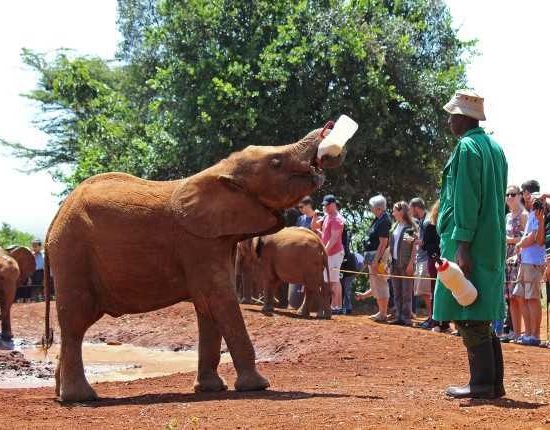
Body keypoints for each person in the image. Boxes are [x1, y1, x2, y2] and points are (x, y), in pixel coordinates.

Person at [434, 90, 507, 399]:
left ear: (464, 117)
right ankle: (493, 383)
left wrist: (462, 244)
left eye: (453, 115)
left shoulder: (467, 147)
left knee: (468, 307)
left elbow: (465, 198)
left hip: (470, 240)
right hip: (491, 240)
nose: (450, 120)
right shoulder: (494, 147)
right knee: (482, 307)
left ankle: (480, 384)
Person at [513, 180, 546, 346]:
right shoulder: (532, 213)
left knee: (532, 298)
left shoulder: (540, 212)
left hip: (534, 262)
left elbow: (535, 238)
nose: (524, 196)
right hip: (525, 260)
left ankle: (535, 334)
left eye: (524, 192)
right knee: (520, 296)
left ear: (529, 193)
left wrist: (519, 243)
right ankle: (527, 333)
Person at [356, 195, 391, 322]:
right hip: (373, 255)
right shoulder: (379, 219)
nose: (370, 209)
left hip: (378, 256)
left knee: (381, 282)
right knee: (376, 282)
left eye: (372, 207)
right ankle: (381, 312)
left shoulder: (384, 221)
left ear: (378, 208)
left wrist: (376, 260)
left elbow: (383, 243)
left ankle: (383, 313)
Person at [499, 185, 528, 343]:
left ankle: (526, 332)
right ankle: (515, 333)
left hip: (520, 258)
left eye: (513, 194)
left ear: (520, 196)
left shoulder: (524, 215)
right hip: (507, 258)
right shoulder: (508, 216)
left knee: (519, 296)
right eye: (507, 194)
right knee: (510, 297)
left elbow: (528, 238)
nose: (509, 197)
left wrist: (509, 240)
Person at [313, 194, 345, 314]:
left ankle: (337, 307)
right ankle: (332, 305)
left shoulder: (337, 219)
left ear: (333, 205)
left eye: (326, 205)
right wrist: (314, 216)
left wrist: (324, 252)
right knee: (329, 280)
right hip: (329, 252)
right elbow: (315, 227)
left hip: (335, 253)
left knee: (334, 281)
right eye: (324, 206)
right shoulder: (327, 217)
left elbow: (334, 239)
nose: (324, 208)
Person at [387, 201, 416, 326]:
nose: (393, 213)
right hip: (394, 264)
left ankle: (406, 317)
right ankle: (399, 315)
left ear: (401, 211)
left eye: (394, 210)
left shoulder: (409, 228)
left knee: (406, 292)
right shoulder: (394, 227)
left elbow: (413, 247)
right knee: (396, 291)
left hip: (405, 264)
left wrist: (411, 264)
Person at [288, 196, 316, 308]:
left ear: (309, 205)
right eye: (299, 207)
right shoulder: (300, 219)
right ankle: (293, 303)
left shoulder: (318, 218)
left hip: (311, 254)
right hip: (298, 254)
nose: (300, 209)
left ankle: (309, 305)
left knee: (309, 278)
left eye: (301, 207)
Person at [410, 197, 433, 328]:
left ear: (416, 207)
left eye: (411, 208)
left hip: (426, 259)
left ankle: (431, 318)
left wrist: (418, 242)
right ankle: (430, 317)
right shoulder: (421, 221)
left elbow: (427, 242)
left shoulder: (427, 221)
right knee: (424, 291)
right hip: (422, 259)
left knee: (426, 291)